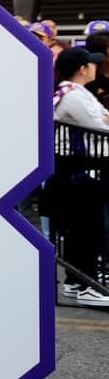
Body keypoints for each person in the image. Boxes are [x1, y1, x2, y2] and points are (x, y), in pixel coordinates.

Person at [52, 46, 109, 308]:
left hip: (85, 170)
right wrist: (103, 118)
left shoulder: (79, 93)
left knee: (83, 228)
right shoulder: (73, 95)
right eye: (91, 64)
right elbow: (100, 125)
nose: (96, 67)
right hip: (81, 172)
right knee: (87, 228)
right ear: (83, 69)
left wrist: (104, 117)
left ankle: (77, 282)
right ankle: (86, 286)